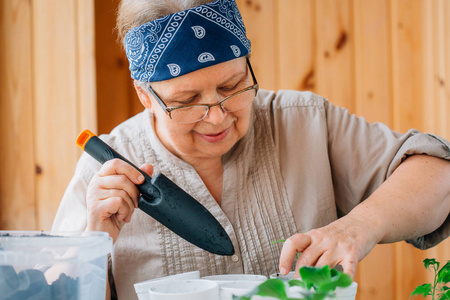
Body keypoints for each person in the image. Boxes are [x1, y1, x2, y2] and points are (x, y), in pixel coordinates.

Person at [52, 0, 450, 299]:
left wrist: (359, 225)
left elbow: (439, 175)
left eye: (232, 86)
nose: (217, 117)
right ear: (144, 95)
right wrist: (93, 246)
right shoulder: (101, 178)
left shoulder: (306, 121)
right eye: (188, 99)